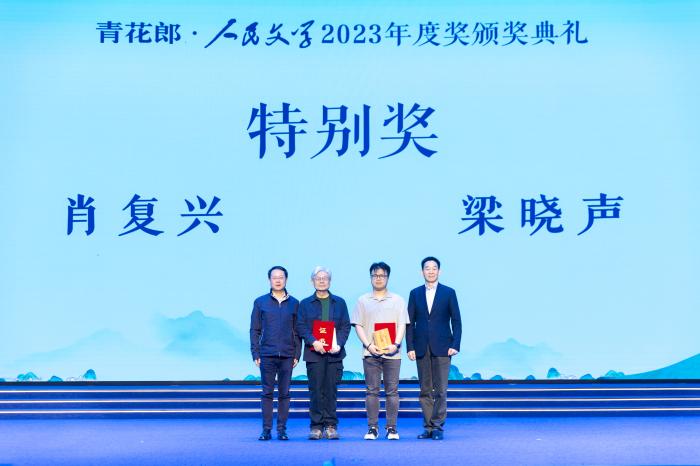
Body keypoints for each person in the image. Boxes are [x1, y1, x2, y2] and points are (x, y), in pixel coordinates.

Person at [406, 256, 462, 440]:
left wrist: (455, 344)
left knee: (441, 390)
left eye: (434, 268)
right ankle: (428, 427)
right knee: (425, 390)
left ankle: (438, 426)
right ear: (422, 271)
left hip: (444, 347)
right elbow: (409, 323)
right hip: (421, 347)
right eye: (427, 268)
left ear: (439, 271)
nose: (430, 271)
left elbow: (456, 320)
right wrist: (410, 346)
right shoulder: (415, 293)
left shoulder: (449, 292)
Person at [352, 261, 409, 440]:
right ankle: (372, 428)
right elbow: (358, 325)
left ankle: (391, 428)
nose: (378, 278)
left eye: (382, 275)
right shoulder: (362, 300)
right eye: (375, 275)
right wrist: (369, 345)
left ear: (387, 277)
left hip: (393, 353)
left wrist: (396, 344)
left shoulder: (398, 300)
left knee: (392, 391)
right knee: (372, 391)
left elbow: (402, 325)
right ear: (371, 278)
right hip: (370, 353)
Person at [249, 266, 301, 441]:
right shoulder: (260, 302)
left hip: (287, 355)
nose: (278, 280)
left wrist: (297, 354)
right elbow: (254, 330)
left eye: (281, 277)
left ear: (286, 279)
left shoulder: (294, 303)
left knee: (284, 394)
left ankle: (282, 430)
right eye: (274, 277)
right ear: (269, 280)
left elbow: (297, 331)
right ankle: (266, 430)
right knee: (267, 393)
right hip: (267, 354)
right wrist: (255, 353)